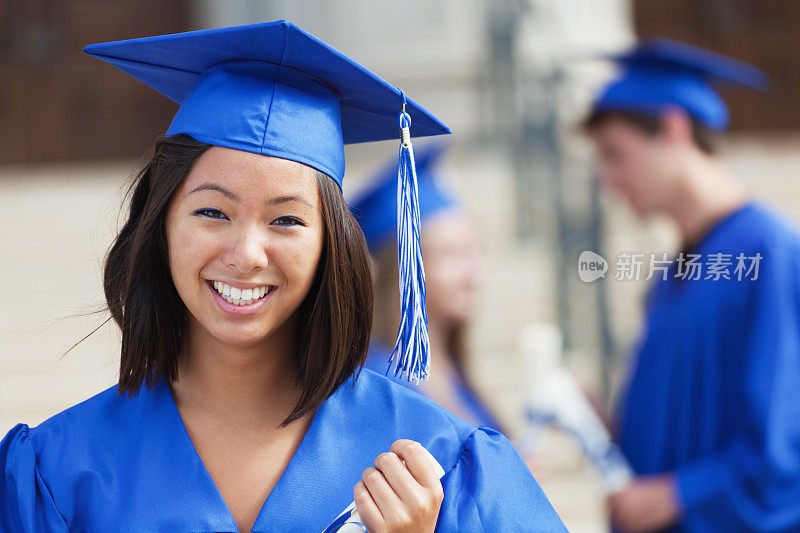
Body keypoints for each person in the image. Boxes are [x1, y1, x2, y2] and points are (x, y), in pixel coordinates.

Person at [0, 21, 567, 532]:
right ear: (161, 223)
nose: (247, 253)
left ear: (331, 245)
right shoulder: (59, 473)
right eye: (212, 212)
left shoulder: (437, 462)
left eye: (287, 219)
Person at [583, 38, 800, 532]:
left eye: (616, 154)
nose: (606, 179)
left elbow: (785, 443)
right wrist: (607, 425)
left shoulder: (768, 253)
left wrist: (677, 496)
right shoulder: (674, 273)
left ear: (674, 131)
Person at [350, 144, 505, 433]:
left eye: (473, 251)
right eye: (450, 255)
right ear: (402, 272)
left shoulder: (454, 373)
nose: (472, 271)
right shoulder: (380, 386)